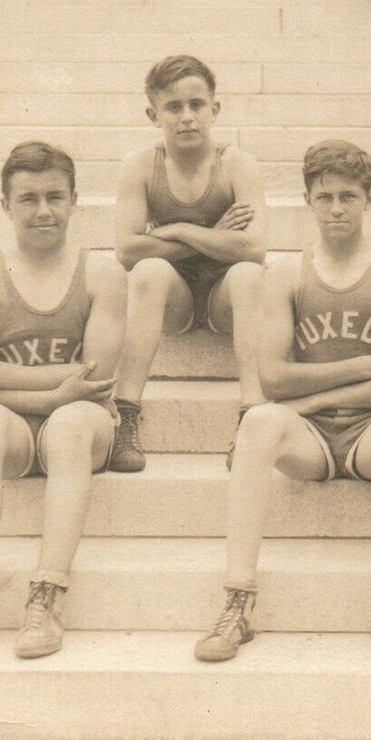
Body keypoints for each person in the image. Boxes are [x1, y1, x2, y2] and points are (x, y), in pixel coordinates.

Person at [194, 141, 371, 662]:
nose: (336, 209)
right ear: (307, 201)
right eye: (324, 198)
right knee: (259, 421)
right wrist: (361, 367)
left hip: (370, 437)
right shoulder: (287, 273)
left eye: (348, 197)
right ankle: (237, 601)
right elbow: (272, 376)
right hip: (312, 443)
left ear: (370, 199)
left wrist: (315, 398)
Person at [0, 142, 127, 660]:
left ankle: (47, 595)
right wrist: (56, 389)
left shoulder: (101, 273)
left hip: (82, 429)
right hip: (14, 433)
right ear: (6, 205)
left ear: (74, 201)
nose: (44, 210)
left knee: (72, 420)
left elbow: (95, 379)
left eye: (55, 197)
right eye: (28, 199)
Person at [109, 55, 268, 472]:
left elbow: (254, 249)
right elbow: (127, 251)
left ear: (214, 109)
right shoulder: (141, 165)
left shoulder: (237, 164)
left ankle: (252, 417)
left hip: (223, 299)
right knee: (148, 271)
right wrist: (215, 235)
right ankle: (125, 414)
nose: (186, 117)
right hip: (172, 300)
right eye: (173, 107)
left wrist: (176, 229)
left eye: (196, 105)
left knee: (249, 274)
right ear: (153, 115)